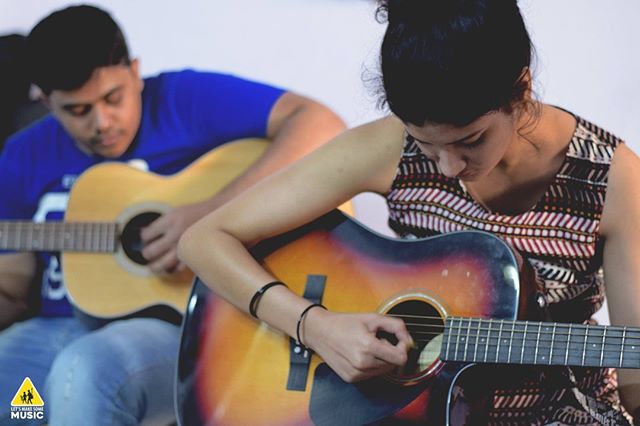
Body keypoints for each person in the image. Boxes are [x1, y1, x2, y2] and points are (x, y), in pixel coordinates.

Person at [178, 0, 640, 424]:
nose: (449, 167)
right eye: (426, 145)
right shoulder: (389, 146)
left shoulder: (613, 179)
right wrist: (313, 326)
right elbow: (204, 239)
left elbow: (635, 383)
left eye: (471, 140)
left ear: (521, 91)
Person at [0, 4, 345, 426]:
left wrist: (209, 215)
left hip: (182, 325)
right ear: (44, 99)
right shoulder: (21, 155)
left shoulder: (184, 99)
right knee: (16, 391)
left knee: (83, 370)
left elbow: (321, 124)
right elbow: (12, 290)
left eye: (113, 98)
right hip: (53, 329)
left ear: (135, 71)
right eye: (77, 110)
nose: (102, 122)